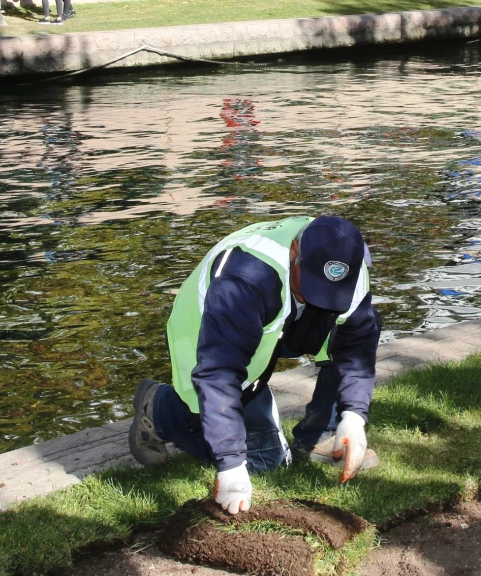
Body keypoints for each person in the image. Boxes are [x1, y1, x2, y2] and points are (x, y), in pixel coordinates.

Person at [129, 215, 382, 515]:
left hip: (284, 315)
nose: (322, 300)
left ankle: (323, 432)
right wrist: (231, 464)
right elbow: (220, 373)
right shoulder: (246, 277)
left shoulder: (348, 267)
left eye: (332, 292)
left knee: (351, 326)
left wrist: (353, 415)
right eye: (313, 286)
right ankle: (159, 410)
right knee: (267, 463)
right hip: (210, 332)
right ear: (294, 253)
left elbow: (357, 346)